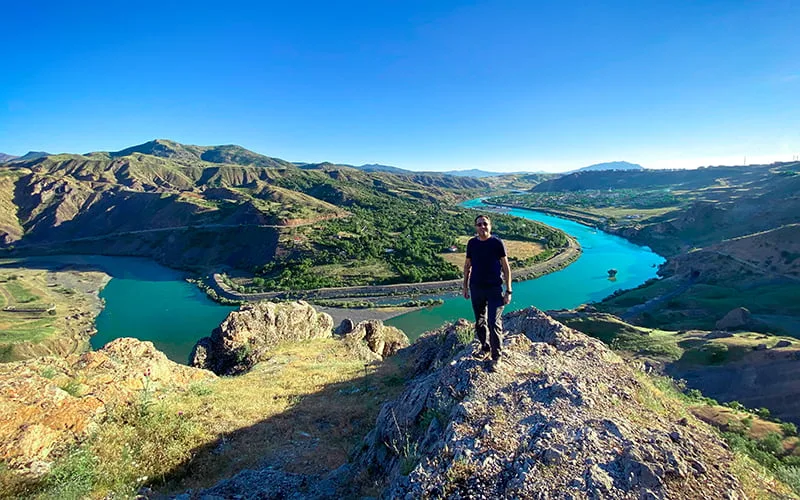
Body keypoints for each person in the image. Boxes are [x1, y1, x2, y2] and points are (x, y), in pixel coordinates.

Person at [463, 214, 512, 371]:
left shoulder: (497, 243)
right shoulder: (472, 243)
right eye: (479, 224)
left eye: (485, 224)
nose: (482, 227)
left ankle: (496, 357)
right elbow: (467, 266)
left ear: (490, 226)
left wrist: (508, 290)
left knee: (493, 322)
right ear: (475, 227)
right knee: (479, 321)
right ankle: (485, 347)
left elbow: (506, 267)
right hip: (476, 288)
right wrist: (464, 286)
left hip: (494, 289)